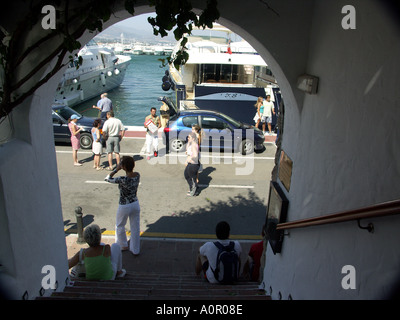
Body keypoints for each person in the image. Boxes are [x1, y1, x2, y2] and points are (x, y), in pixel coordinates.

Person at [105, 156, 141, 256]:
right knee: (135, 227)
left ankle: (122, 245)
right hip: (135, 203)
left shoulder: (122, 179)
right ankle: (135, 250)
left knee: (119, 225)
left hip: (124, 205)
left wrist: (116, 169)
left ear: (123, 167)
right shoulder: (137, 175)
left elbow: (107, 179)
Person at [184, 132, 200, 196]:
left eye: (189, 137)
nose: (188, 138)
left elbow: (195, 155)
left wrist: (190, 158)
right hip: (190, 164)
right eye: (188, 137)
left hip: (193, 164)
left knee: (192, 178)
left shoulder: (194, 145)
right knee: (186, 175)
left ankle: (194, 192)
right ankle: (192, 188)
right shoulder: (191, 144)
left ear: (193, 138)